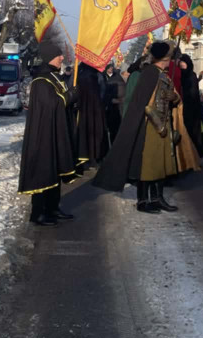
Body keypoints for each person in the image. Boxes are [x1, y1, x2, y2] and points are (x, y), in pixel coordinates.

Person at [93, 41, 181, 213]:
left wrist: (173, 97)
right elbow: (143, 103)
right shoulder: (149, 73)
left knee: (160, 163)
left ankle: (157, 198)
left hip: (164, 124)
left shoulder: (163, 74)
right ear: (165, 58)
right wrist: (157, 122)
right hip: (150, 126)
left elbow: (171, 98)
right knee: (147, 164)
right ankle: (143, 200)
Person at [18, 40, 78, 227]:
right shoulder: (41, 81)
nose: (62, 58)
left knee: (55, 170)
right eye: (58, 55)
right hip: (43, 135)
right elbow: (54, 104)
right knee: (43, 171)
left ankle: (52, 207)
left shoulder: (53, 77)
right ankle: (38, 213)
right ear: (50, 57)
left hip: (55, 131)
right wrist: (72, 95)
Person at [75, 63, 108, 167]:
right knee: (96, 132)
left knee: (85, 133)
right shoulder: (98, 75)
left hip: (83, 107)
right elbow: (103, 91)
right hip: (96, 107)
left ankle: (85, 157)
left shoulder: (79, 73)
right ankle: (96, 156)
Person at [178, 54, 203, 159]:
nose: (181, 65)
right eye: (180, 63)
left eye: (183, 63)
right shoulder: (179, 74)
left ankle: (194, 154)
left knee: (193, 131)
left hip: (192, 108)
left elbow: (193, 93)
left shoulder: (191, 75)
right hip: (182, 107)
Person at [103, 62, 126, 145]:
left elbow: (106, 97)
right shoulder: (122, 81)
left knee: (113, 131)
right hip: (121, 109)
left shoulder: (110, 81)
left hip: (112, 110)